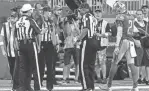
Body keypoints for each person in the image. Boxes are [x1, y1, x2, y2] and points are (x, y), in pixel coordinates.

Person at [99, 1, 139, 91]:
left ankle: (108, 86)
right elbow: (134, 31)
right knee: (131, 64)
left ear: (120, 8)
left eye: (117, 8)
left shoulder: (120, 17)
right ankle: (135, 87)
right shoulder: (131, 17)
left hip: (123, 41)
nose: (116, 10)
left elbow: (119, 33)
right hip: (130, 42)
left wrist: (117, 46)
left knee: (114, 62)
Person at [13, 4, 47, 91]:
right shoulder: (30, 20)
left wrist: (17, 46)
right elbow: (39, 32)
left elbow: (15, 36)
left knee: (23, 67)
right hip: (30, 44)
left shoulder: (17, 21)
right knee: (35, 66)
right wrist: (45, 29)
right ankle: (37, 87)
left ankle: (23, 87)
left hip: (21, 45)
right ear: (29, 11)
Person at [75, 3, 100, 91]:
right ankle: (91, 86)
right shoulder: (93, 17)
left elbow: (85, 29)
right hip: (94, 41)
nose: (80, 12)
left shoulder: (86, 16)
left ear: (85, 9)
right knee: (91, 65)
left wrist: (78, 39)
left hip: (87, 41)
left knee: (83, 64)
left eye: (80, 10)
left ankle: (86, 86)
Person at [38, 6, 56, 91]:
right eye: (48, 12)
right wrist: (38, 45)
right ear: (44, 12)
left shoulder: (51, 21)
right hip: (42, 43)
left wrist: (55, 43)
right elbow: (37, 33)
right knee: (41, 65)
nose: (50, 14)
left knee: (50, 65)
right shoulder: (39, 20)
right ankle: (39, 82)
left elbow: (53, 33)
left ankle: (49, 85)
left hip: (49, 44)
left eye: (50, 12)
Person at [0, 10, 18, 91]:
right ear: (9, 18)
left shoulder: (19, 25)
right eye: (11, 17)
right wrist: (3, 50)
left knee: (16, 68)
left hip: (18, 51)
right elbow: (2, 38)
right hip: (9, 51)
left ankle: (15, 86)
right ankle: (15, 83)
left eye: (14, 18)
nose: (12, 19)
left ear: (17, 18)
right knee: (11, 68)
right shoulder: (5, 26)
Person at [94, 9, 111, 84]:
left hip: (102, 45)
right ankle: (98, 77)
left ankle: (104, 78)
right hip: (93, 45)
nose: (97, 14)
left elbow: (110, 33)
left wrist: (102, 35)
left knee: (102, 62)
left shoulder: (105, 23)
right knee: (96, 63)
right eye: (96, 13)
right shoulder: (92, 22)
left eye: (99, 13)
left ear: (101, 14)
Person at [62, 14, 80, 84]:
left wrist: (75, 25)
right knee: (67, 63)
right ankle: (65, 78)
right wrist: (68, 24)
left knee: (77, 63)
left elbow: (79, 33)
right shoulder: (66, 24)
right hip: (68, 45)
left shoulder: (78, 24)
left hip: (76, 45)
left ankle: (76, 78)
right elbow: (68, 33)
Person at [138, 5, 149, 84]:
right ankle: (141, 77)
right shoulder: (138, 20)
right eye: (143, 9)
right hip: (140, 42)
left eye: (146, 8)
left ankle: (146, 78)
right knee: (141, 61)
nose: (144, 10)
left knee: (147, 62)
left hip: (147, 43)